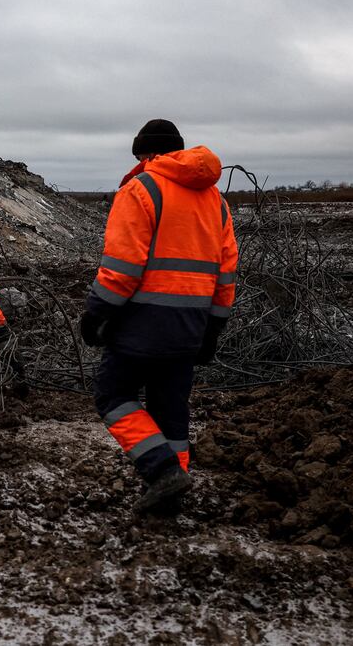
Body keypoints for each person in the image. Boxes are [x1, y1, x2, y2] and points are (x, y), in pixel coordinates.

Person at [80, 119, 238, 513]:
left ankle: (162, 470)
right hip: (191, 327)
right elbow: (226, 272)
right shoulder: (215, 200)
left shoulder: (142, 189)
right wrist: (214, 328)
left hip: (142, 324)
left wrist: (96, 312)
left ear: (146, 155)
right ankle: (172, 492)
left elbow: (122, 268)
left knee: (113, 395)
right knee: (170, 407)